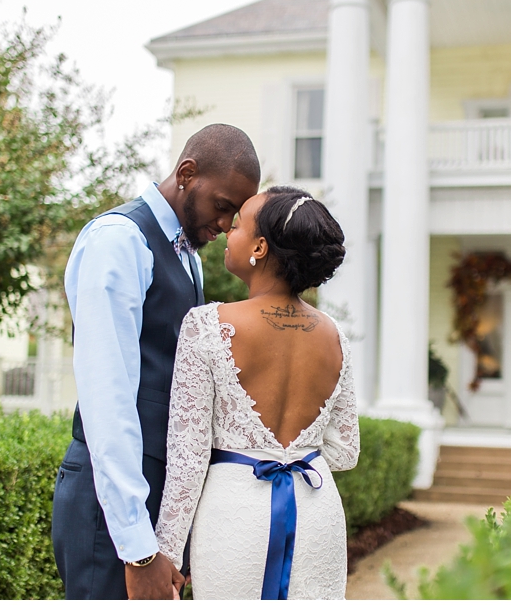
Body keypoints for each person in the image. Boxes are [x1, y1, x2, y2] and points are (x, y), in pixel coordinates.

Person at [51, 124, 260, 600]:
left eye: (236, 214)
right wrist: (139, 549)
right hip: (110, 512)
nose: (227, 225)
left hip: (155, 504)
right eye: (223, 206)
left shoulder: (189, 256)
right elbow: (109, 400)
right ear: (187, 173)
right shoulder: (119, 240)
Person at [154, 186, 360, 599]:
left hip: (234, 517)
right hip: (317, 514)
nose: (229, 230)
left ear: (260, 247)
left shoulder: (206, 326)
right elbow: (345, 452)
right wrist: (292, 451)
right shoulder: (335, 336)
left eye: (240, 224)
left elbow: (188, 458)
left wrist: (167, 555)